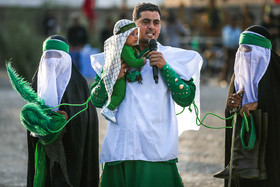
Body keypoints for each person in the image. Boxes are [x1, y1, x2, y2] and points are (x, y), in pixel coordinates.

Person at [90, 3, 202, 186]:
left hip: (156, 147)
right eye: (145, 21)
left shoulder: (170, 57)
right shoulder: (113, 57)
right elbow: (96, 99)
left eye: (156, 22)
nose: (151, 26)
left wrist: (165, 68)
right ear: (134, 26)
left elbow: (186, 98)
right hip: (122, 147)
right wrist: (110, 78)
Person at [26, 35, 99, 186]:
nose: (52, 60)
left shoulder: (79, 84)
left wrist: (66, 120)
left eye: (57, 56)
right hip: (43, 146)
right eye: (48, 55)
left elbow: (84, 120)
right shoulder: (37, 83)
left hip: (71, 150)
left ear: (66, 58)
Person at [213, 25, 280, 186]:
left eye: (250, 52)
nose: (245, 58)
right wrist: (233, 106)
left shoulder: (277, 72)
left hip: (272, 152)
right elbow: (229, 114)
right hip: (243, 159)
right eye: (242, 52)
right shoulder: (238, 76)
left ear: (263, 53)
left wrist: (259, 104)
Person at [100, 19, 147, 123]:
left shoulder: (128, 47)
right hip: (118, 76)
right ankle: (108, 109)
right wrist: (142, 61)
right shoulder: (124, 48)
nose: (136, 37)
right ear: (123, 37)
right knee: (119, 94)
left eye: (136, 34)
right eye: (132, 35)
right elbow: (132, 62)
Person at [219, 17, 242, 87]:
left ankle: (233, 80)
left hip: (235, 49)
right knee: (226, 64)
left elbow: (239, 41)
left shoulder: (238, 30)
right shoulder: (226, 29)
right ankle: (223, 79)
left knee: (235, 65)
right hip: (227, 49)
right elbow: (225, 40)